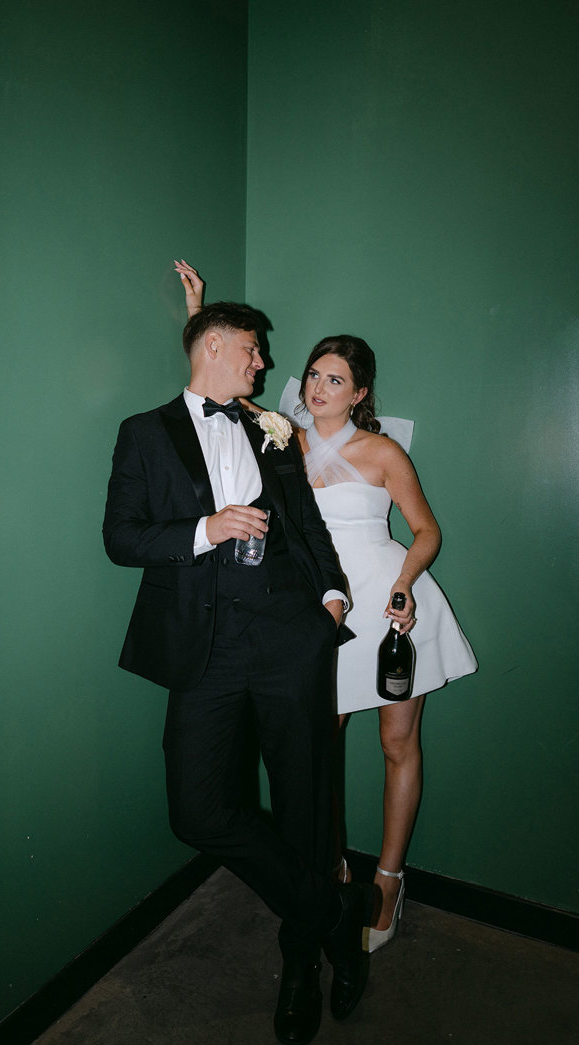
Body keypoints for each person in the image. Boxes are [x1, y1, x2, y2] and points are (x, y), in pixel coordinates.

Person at [175, 261, 477, 956]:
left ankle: (390, 882)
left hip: (392, 604)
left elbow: (426, 530)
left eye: (334, 378)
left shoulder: (383, 451)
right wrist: (195, 309)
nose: (317, 386)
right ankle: (332, 874)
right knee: (317, 753)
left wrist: (405, 584)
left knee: (398, 745)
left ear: (360, 391)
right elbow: (208, 380)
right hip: (323, 614)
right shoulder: (279, 434)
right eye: (313, 374)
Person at [103, 299, 370, 1045]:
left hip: (291, 638)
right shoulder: (144, 433)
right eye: (254, 351)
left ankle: (298, 964)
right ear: (215, 347)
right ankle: (332, 917)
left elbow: (307, 523)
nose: (263, 364)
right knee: (196, 810)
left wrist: (331, 597)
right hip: (204, 648)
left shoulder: (270, 428)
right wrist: (205, 528)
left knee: (304, 806)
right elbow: (120, 538)